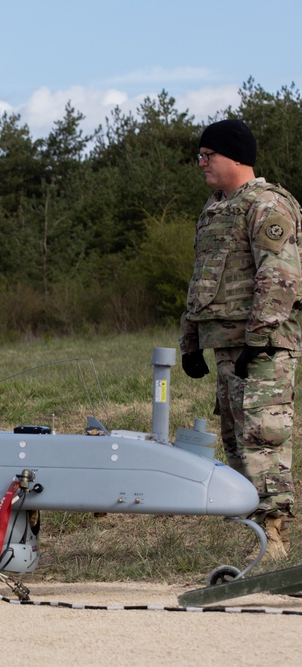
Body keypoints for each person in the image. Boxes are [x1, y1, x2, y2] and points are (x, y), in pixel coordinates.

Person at [180, 118, 302, 560]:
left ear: (235, 156)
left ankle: (276, 542)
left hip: (263, 348)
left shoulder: (267, 205)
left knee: (263, 440)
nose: (201, 163)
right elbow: (202, 281)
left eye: (207, 156)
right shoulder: (214, 210)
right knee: (235, 444)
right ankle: (257, 540)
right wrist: (190, 341)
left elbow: (281, 275)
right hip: (228, 345)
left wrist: (260, 337)